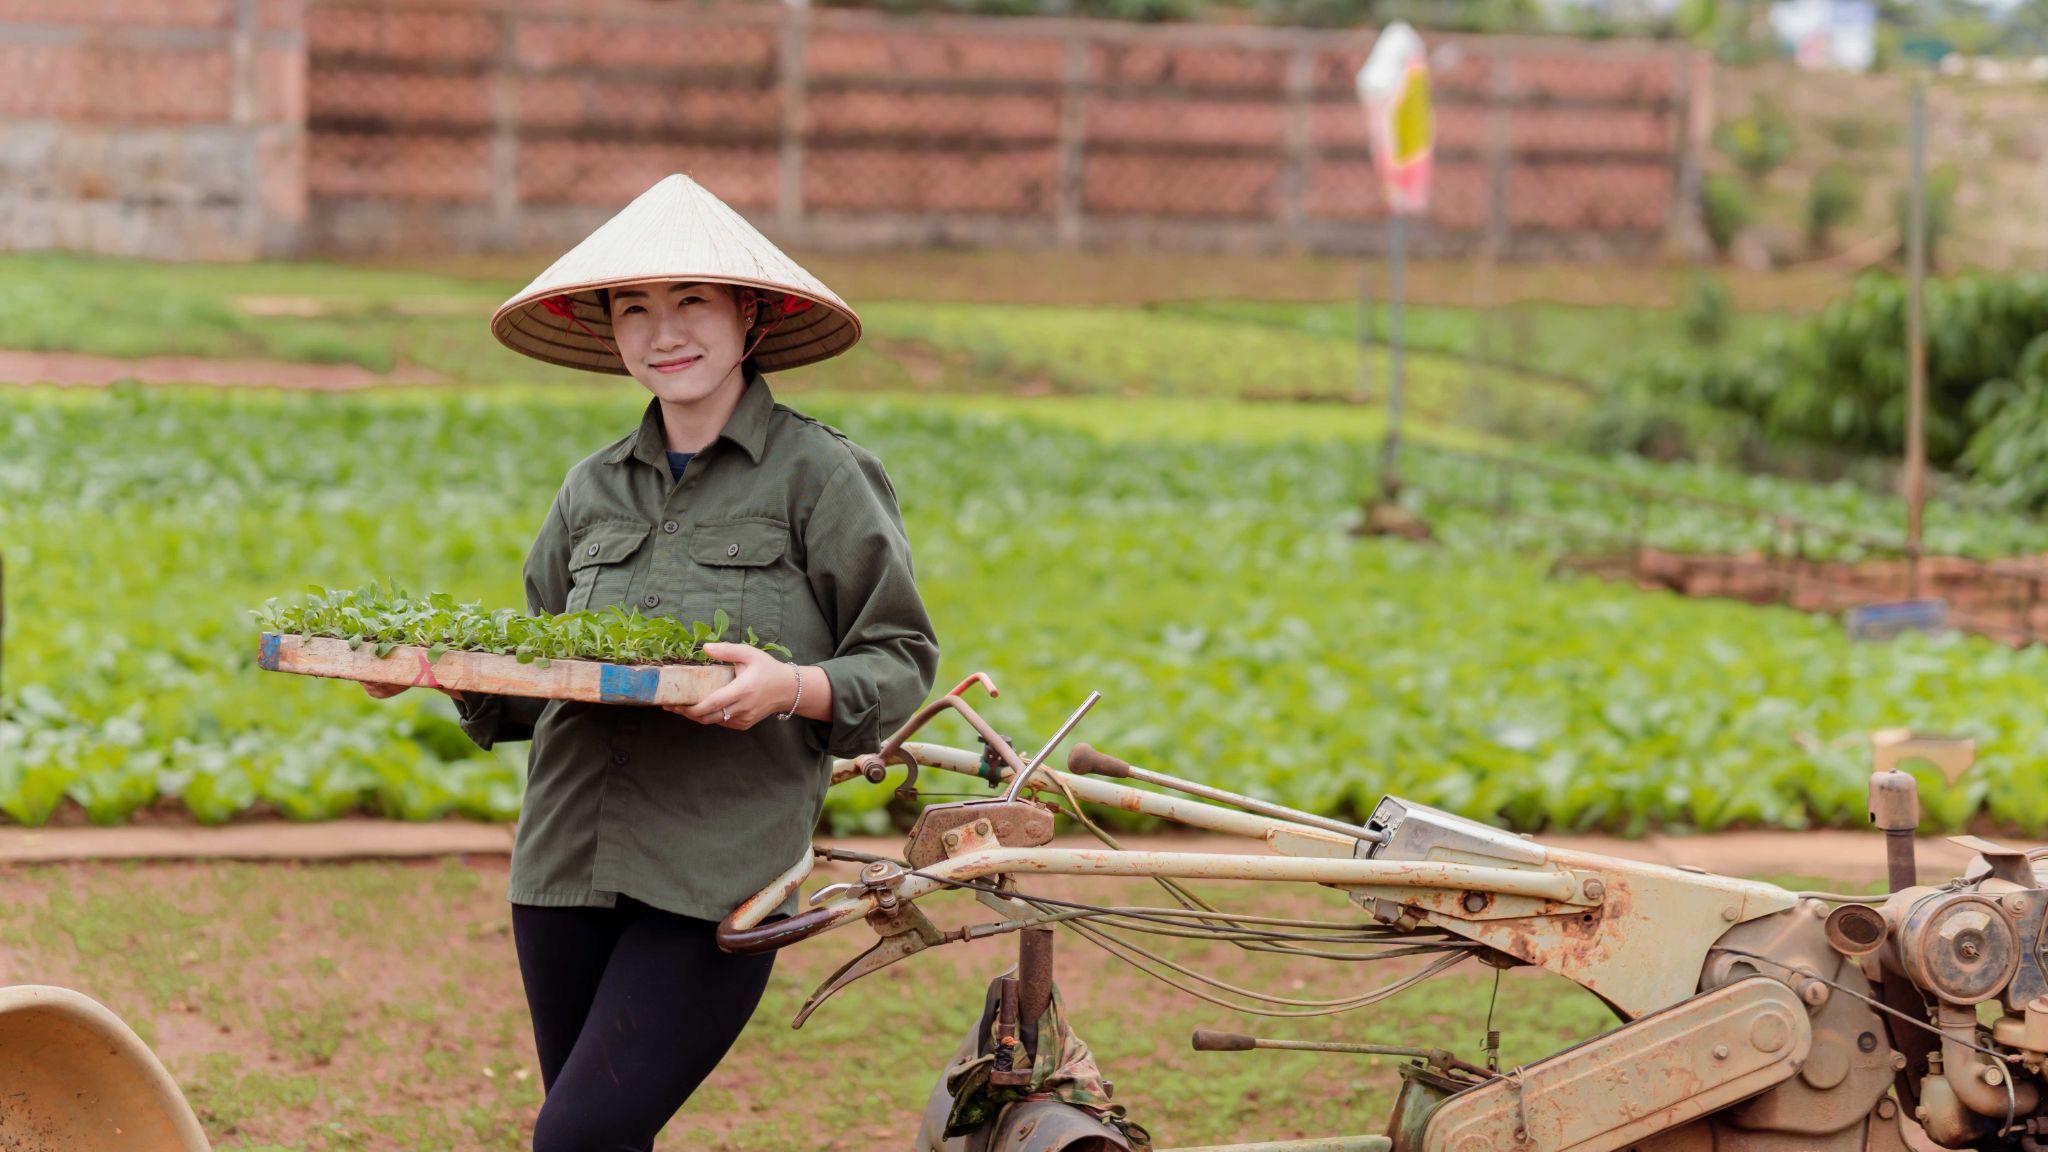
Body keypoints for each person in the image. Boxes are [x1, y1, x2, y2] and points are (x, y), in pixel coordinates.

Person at [364, 174, 940, 1151]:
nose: (662, 332)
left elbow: (898, 661)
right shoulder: (590, 490)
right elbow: (537, 677)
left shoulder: (820, 478)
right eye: (634, 309)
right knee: (595, 1138)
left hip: (716, 878)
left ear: (749, 316)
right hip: (561, 869)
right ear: (611, 332)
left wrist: (790, 688)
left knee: (574, 1138)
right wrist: (436, 670)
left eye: (690, 303)